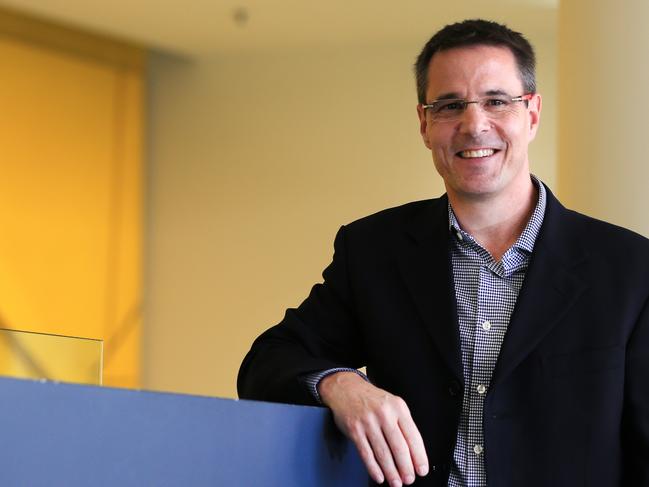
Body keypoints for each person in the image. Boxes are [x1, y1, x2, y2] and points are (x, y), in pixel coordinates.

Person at [237, 19, 649, 487]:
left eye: (497, 101)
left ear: (531, 114)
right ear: (424, 124)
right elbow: (267, 363)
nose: (474, 125)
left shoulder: (631, 269)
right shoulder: (374, 250)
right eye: (450, 105)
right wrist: (342, 385)